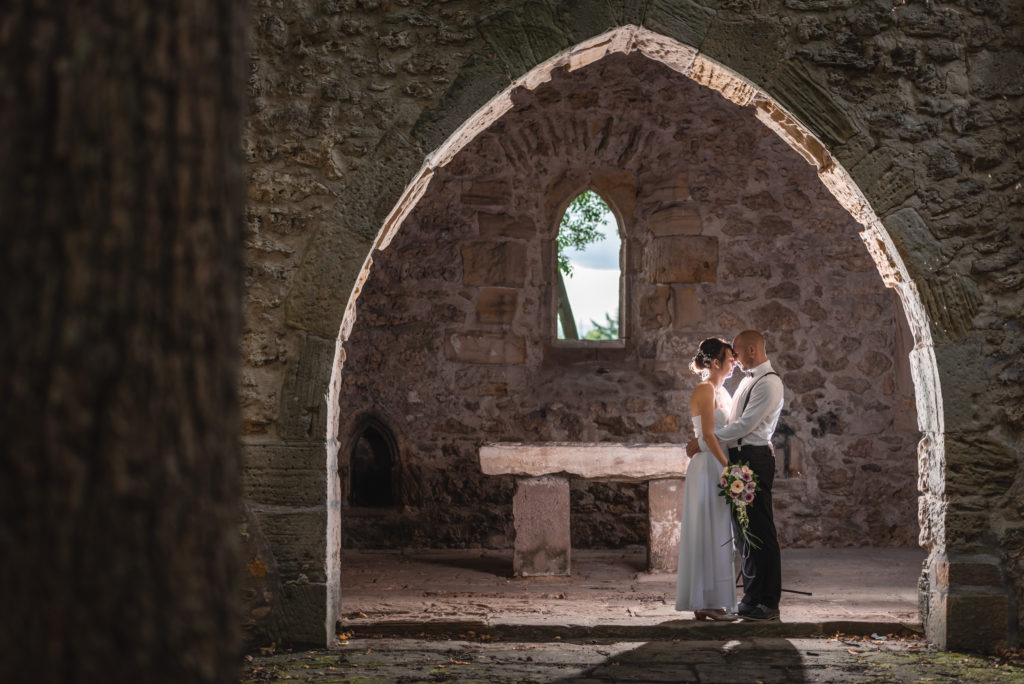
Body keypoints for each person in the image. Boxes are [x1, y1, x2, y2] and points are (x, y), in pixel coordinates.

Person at [687, 330, 785, 621]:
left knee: (760, 530)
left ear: (752, 350)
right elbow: (731, 421)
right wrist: (710, 440)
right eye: (731, 356)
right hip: (739, 458)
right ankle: (751, 598)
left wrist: (705, 440)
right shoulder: (746, 381)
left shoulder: (769, 383)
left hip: (754, 458)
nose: (736, 360)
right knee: (745, 532)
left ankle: (767, 602)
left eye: (738, 354)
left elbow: (743, 426)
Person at [675, 337, 738, 621]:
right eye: (729, 358)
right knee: (707, 529)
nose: (734, 361)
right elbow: (709, 435)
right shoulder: (704, 390)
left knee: (719, 530)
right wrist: (729, 468)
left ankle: (711, 599)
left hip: (719, 462)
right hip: (709, 466)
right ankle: (705, 601)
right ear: (715, 362)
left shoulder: (723, 392)